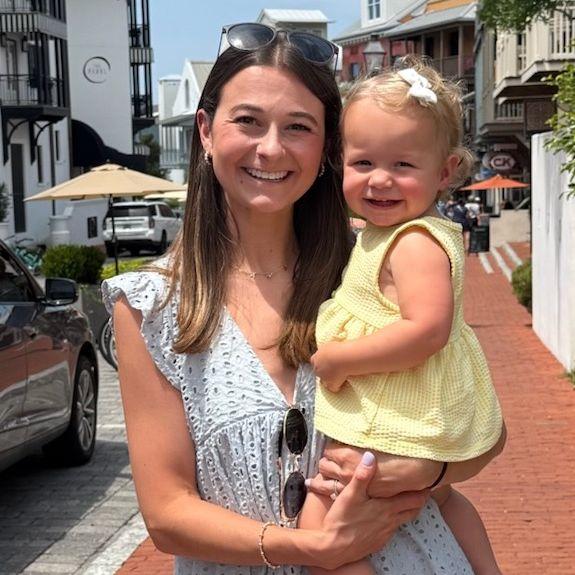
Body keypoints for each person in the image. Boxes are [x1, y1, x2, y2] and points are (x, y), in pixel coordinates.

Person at [102, 24, 504, 574]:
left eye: (298, 127)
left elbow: (484, 431)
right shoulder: (152, 305)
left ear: (326, 148)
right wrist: (315, 549)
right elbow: (167, 513)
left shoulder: (375, 266)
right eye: (248, 121)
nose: (271, 148)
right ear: (206, 131)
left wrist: (423, 472)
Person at [300, 62, 504, 575]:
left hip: (395, 414)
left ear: (445, 172)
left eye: (403, 165)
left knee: (319, 525)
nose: (380, 179)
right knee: (444, 497)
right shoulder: (390, 232)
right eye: (363, 162)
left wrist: (341, 361)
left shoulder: (414, 243)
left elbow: (427, 330)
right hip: (410, 410)